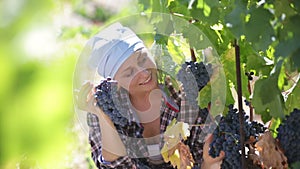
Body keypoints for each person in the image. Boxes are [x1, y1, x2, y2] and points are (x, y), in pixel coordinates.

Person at [77, 22, 224, 169]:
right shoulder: (104, 109)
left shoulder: (182, 94)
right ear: (115, 83)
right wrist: (102, 115)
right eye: (129, 73)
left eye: (143, 59)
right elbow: (116, 166)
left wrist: (208, 163)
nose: (145, 73)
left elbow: (204, 159)